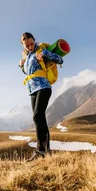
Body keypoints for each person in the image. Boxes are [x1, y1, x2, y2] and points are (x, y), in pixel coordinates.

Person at [19, 32, 64, 161]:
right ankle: (46, 152)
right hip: (32, 90)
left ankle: (40, 151)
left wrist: (44, 54)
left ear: (34, 40)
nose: (30, 47)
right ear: (23, 45)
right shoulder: (27, 57)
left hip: (44, 87)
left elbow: (60, 59)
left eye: (32, 43)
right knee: (39, 119)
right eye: (27, 45)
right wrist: (21, 65)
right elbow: (28, 72)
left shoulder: (41, 50)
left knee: (37, 116)